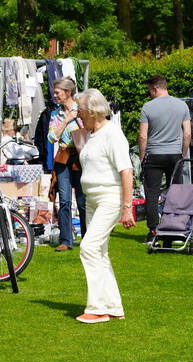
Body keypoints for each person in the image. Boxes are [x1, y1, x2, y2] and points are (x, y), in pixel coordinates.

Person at [74, 89, 135, 324]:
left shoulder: (113, 134)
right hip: (92, 199)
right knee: (99, 252)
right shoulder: (91, 134)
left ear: (91, 111)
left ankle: (97, 308)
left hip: (109, 198)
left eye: (80, 109)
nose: (77, 113)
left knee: (88, 247)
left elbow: (126, 172)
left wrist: (126, 207)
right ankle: (113, 306)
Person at [138, 75, 191, 240]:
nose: (149, 94)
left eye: (150, 91)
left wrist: (141, 157)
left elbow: (142, 137)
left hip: (154, 155)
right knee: (176, 192)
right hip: (175, 155)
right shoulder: (182, 105)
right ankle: (176, 226)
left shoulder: (147, 107)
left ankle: (153, 229)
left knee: (152, 193)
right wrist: (182, 153)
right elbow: (187, 133)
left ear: (155, 88)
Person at [47, 77, 87, 251]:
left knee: (82, 200)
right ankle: (65, 240)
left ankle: (87, 238)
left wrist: (75, 117)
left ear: (68, 92)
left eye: (58, 92)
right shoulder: (56, 114)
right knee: (64, 200)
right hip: (63, 158)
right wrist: (66, 120)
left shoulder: (83, 110)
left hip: (80, 158)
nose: (54, 95)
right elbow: (51, 137)